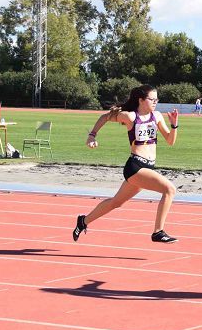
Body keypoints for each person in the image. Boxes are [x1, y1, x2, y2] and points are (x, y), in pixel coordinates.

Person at [73, 85, 180, 244]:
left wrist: (174, 125)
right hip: (136, 167)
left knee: (116, 203)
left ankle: (83, 221)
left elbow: (170, 141)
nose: (155, 102)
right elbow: (104, 117)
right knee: (169, 189)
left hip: (148, 167)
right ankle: (158, 232)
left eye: (157, 99)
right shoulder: (130, 117)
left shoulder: (156, 116)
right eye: (152, 99)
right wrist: (92, 136)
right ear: (141, 100)